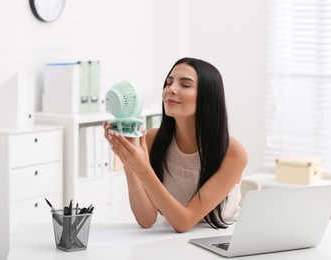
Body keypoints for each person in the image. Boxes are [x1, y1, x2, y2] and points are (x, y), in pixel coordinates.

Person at [103, 57, 248, 233]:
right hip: (170, 239)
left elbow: (184, 222)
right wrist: (128, 160)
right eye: (168, 83)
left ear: (208, 97)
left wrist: (142, 169)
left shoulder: (232, 152)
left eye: (185, 85)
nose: (171, 89)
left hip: (220, 239)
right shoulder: (152, 139)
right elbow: (146, 219)